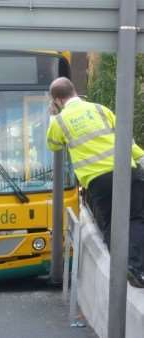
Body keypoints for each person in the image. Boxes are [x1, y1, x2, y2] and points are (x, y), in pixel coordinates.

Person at [46, 77, 144, 288]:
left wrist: (53, 116)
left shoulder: (59, 121)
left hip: (99, 180)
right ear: (74, 91)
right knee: (136, 218)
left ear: (56, 100)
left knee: (110, 223)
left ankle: (123, 268)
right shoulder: (100, 109)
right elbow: (126, 138)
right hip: (128, 170)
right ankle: (137, 267)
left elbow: (53, 146)